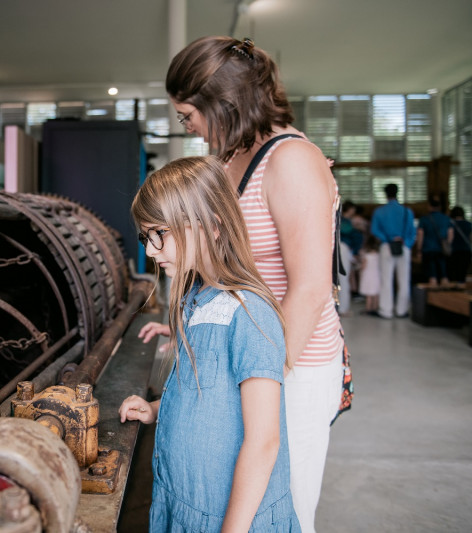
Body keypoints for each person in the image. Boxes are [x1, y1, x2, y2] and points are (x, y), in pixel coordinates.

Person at [155, 36, 344, 532]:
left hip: (292, 361)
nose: (189, 128)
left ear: (221, 104)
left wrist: (261, 375)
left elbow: (309, 289)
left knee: (279, 507)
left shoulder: (291, 160)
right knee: (229, 496)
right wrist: (191, 331)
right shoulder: (228, 157)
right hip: (247, 354)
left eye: (187, 115)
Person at [120, 156, 300, 532]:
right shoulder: (194, 301)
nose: (150, 251)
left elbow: (264, 442)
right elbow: (201, 394)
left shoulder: (251, 315)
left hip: (228, 518)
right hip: (183, 501)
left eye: (159, 234)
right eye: (145, 236)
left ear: (212, 227)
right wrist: (154, 409)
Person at [370, 183, 416, 318]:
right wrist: (406, 243)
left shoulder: (379, 211)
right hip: (403, 246)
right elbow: (412, 232)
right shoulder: (407, 211)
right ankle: (402, 310)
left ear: (385, 194)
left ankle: (386, 311)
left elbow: (374, 230)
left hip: (386, 246)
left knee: (386, 279)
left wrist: (386, 239)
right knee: (404, 279)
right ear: (397, 193)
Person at [415, 196, 453, 286]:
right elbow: (451, 234)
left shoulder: (424, 219)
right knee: (444, 275)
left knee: (432, 276)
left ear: (429, 206)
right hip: (442, 250)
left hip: (428, 249)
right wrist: (447, 244)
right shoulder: (446, 218)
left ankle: (433, 298)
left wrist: (419, 249)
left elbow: (420, 234)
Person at [447, 205, 472, 285]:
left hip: (453, 251)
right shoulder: (469, 224)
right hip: (466, 251)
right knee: (462, 273)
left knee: (452, 273)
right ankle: (461, 288)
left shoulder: (450, 224)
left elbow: (449, 238)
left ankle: (453, 290)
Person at [358, 234, 381, 315]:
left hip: (368, 275)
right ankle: (375, 308)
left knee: (369, 294)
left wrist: (359, 268)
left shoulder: (366, 255)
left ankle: (368, 309)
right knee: (375, 293)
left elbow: (363, 266)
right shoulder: (379, 255)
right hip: (377, 275)